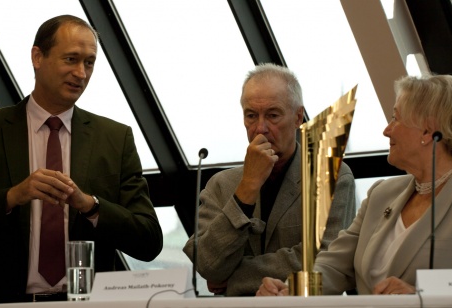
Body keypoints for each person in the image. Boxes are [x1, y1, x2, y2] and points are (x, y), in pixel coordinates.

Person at [0, 15, 162, 307]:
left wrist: (90, 206)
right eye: (71, 59)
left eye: (89, 63)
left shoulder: (114, 139)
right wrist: (12, 197)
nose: (81, 73)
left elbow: (149, 241)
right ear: (37, 57)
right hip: (0, 303)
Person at [258, 74, 452, 296]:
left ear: (427, 131)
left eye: (395, 119)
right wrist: (293, 289)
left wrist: (421, 291)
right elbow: (334, 266)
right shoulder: (383, 194)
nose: (387, 130)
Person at [183, 64, 357, 296]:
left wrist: (234, 278)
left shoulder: (329, 176)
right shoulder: (221, 184)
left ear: (297, 117)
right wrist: (247, 188)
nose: (260, 129)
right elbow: (207, 264)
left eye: (273, 115)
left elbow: (322, 261)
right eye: (251, 116)